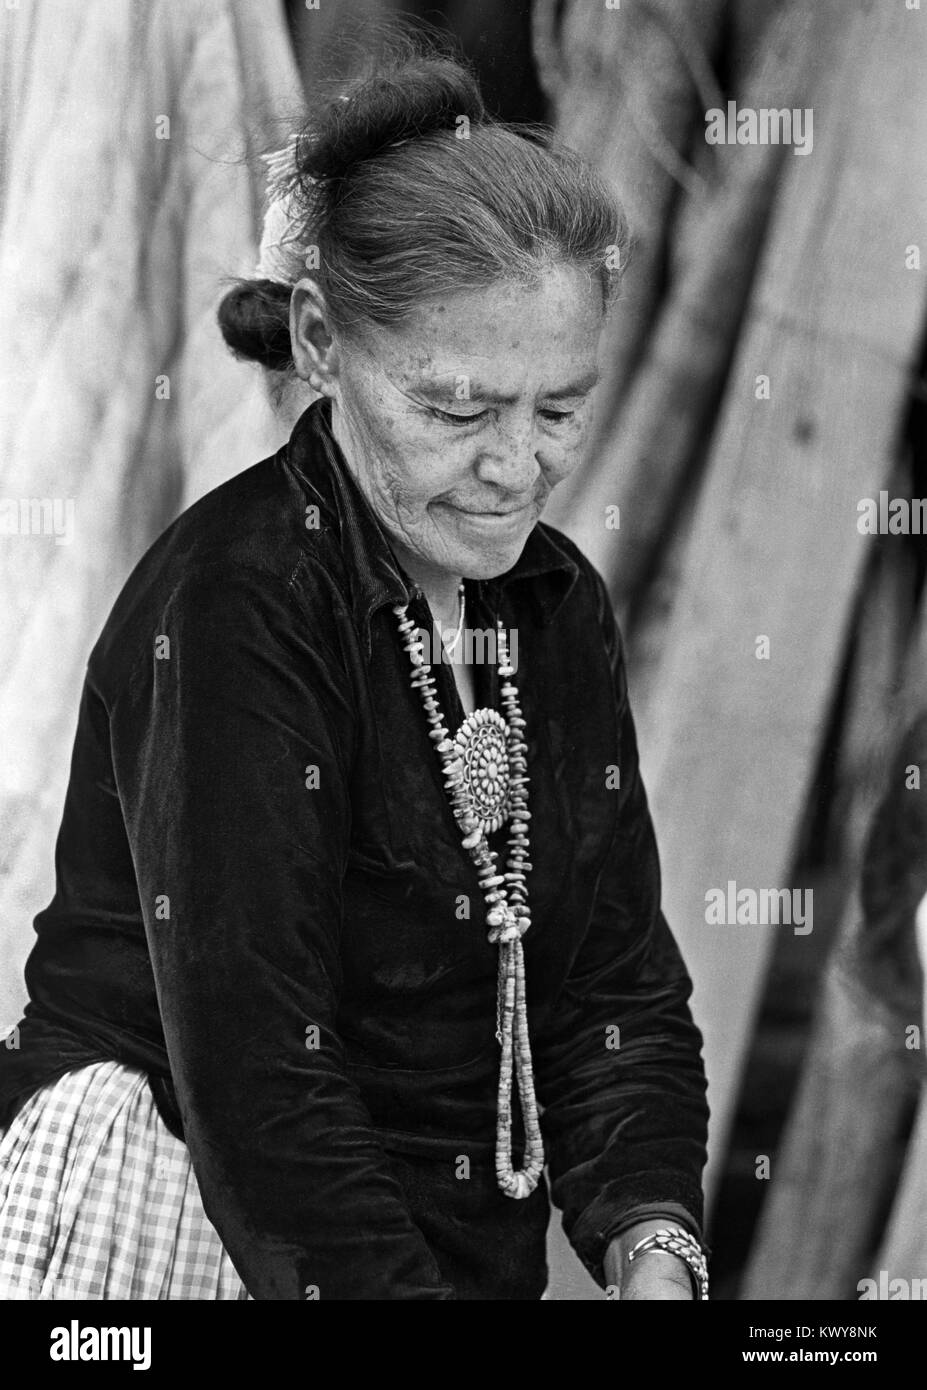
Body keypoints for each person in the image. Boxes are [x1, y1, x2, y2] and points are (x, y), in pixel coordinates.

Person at [0, 42, 709, 1301]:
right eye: (457, 410)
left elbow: (614, 979)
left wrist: (655, 1241)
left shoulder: (553, 608)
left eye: (558, 409)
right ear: (323, 342)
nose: (517, 466)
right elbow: (261, 1076)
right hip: (175, 1224)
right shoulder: (240, 604)